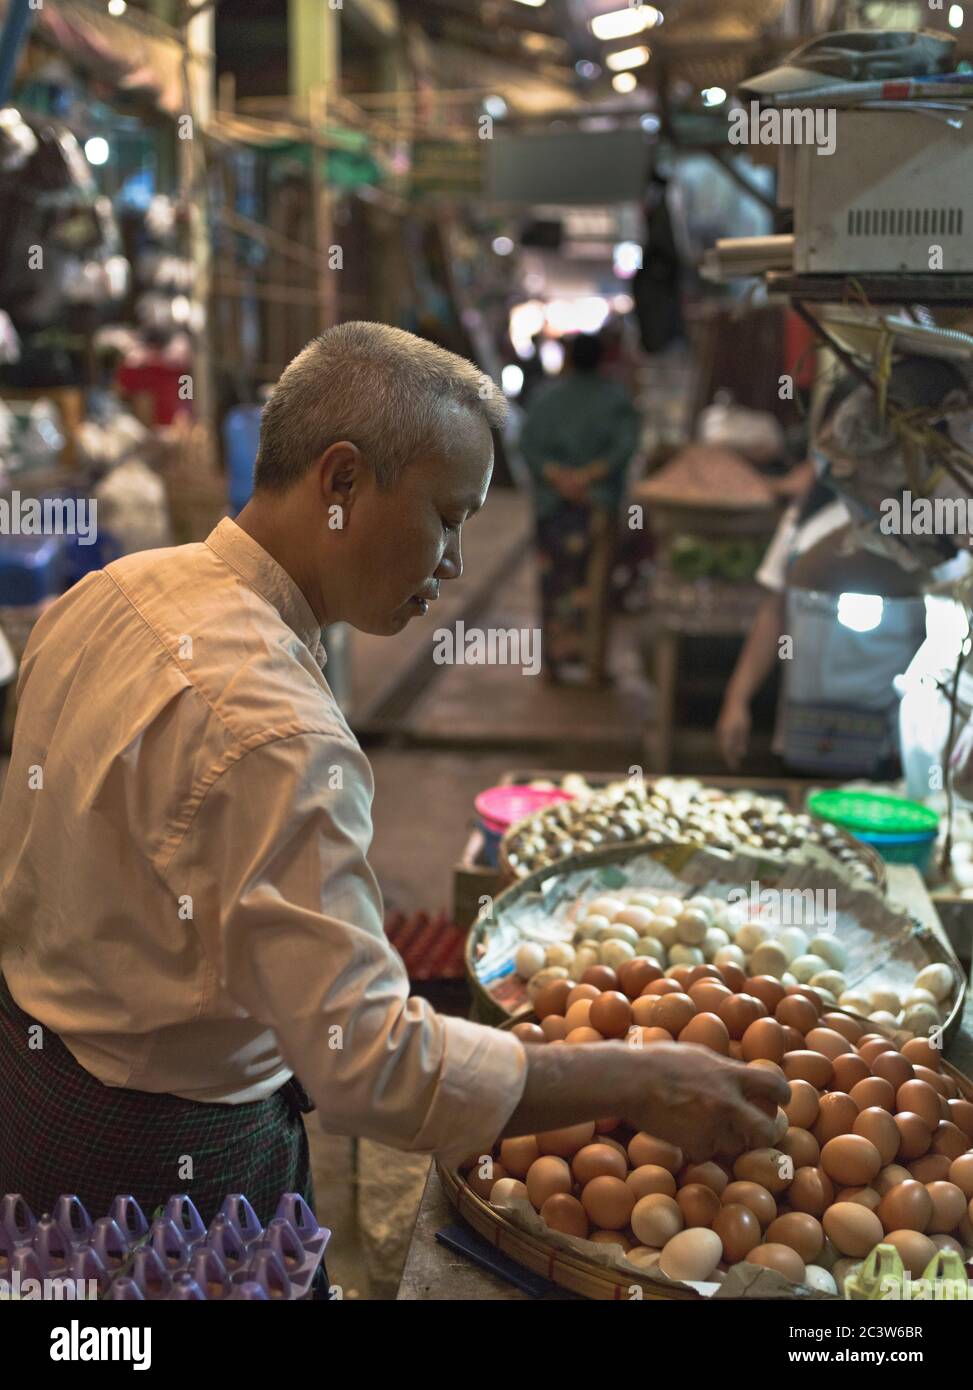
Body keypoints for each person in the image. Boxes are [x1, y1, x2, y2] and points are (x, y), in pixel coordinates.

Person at [0, 322, 784, 1232]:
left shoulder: (108, 593)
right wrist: (635, 1077)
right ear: (339, 482)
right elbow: (366, 1063)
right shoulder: (275, 732)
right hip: (158, 1156)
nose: (452, 564)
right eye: (447, 520)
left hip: (35, 1088)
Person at [520, 332, 641, 684]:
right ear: (604, 358)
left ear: (569, 359)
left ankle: (554, 664)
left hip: (552, 508)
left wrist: (559, 477)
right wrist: (588, 476)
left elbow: (528, 444)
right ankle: (594, 667)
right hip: (598, 506)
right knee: (597, 584)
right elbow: (625, 447)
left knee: (552, 581)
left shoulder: (545, 398)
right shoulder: (616, 399)